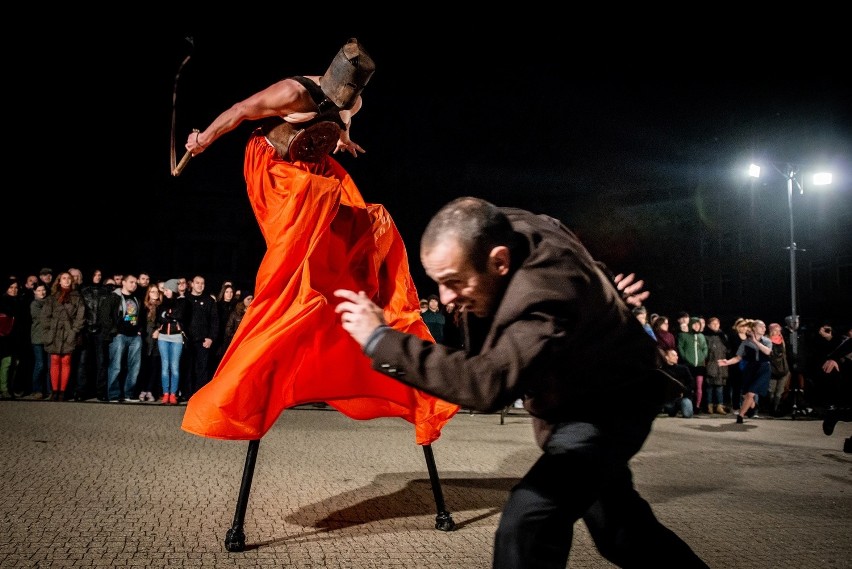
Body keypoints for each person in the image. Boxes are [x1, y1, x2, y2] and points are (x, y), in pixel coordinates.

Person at [334, 197, 707, 568]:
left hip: (608, 405)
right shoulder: (511, 225)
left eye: (454, 282)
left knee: (530, 523)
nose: (446, 298)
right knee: (623, 533)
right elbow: (582, 259)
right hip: (585, 386)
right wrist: (604, 291)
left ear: (499, 260)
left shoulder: (544, 295)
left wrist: (379, 340)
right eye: (439, 282)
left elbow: (489, 383)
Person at [179, 38, 459, 445]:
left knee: (367, 216)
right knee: (315, 198)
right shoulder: (290, 92)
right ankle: (295, 268)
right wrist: (202, 139)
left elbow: (343, 120)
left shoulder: (352, 103)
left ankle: (344, 277)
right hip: (273, 164)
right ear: (326, 83)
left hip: (314, 162)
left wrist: (343, 140)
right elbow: (240, 112)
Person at [40, 271, 85, 401]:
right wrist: (48, 331)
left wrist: (74, 331)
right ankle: (54, 391)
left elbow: (80, 317)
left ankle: (62, 391)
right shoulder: (52, 297)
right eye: (63, 278)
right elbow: (45, 316)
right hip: (54, 332)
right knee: (54, 360)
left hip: (69, 331)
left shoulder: (77, 297)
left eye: (68, 279)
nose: (66, 281)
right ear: (59, 281)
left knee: (66, 360)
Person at [100, 274, 144, 403]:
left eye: (135, 282)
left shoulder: (136, 298)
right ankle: (113, 395)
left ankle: (128, 394)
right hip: (119, 336)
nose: (134, 285)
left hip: (135, 336)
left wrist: (140, 330)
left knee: (134, 367)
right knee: (116, 366)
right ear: (123, 283)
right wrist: (115, 331)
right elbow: (105, 315)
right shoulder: (113, 297)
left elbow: (139, 316)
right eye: (131, 282)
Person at [719, 319, 772, 424]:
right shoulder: (745, 343)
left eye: (765, 327)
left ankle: (741, 415)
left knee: (751, 393)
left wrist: (755, 341)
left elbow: (767, 351)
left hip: (763, 368)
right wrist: (727, 362)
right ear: (754, 328)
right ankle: (753, 406)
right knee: (745, 394)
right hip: (751, 369)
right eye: (761, 326)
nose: (764, 328)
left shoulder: (767, 341)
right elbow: (738, 358)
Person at [156, 279, 187, 405]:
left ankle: (173, 394)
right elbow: (160, 319)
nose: (165, 292)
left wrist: (168, 316)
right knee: (165, 367)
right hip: (163, 337)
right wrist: (170, 317)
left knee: (174, 367)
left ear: (173, 290)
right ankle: (165, 393)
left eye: (167, 289)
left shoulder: (182, 302)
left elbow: (180, 315)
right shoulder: (162, 304)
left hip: (176, 337)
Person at [660, 348, 695, 418]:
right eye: (673, 355)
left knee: (687, 414)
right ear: (667, 357)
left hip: (683, 397)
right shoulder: (662, 370)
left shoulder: (683, 368)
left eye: (677, 355)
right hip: (669, 399)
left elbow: (691, 383)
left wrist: (684, 391)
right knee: (670, 411)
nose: (676, 357)